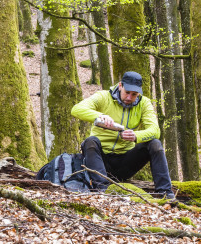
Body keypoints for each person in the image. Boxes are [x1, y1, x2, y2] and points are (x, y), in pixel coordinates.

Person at [71, 70, 175, 200]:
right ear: (120, 86)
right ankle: (103, 191)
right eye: (127, 93)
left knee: (155, 144)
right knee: (90, 141)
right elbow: (76, 109)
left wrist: (136, 136)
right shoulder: (103, 97)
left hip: (125, 162)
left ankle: (166, 193)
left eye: (134, 94)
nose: (129, 98)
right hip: (99, 161)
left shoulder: (144, 103)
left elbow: (155, 130)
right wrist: (99, 115)